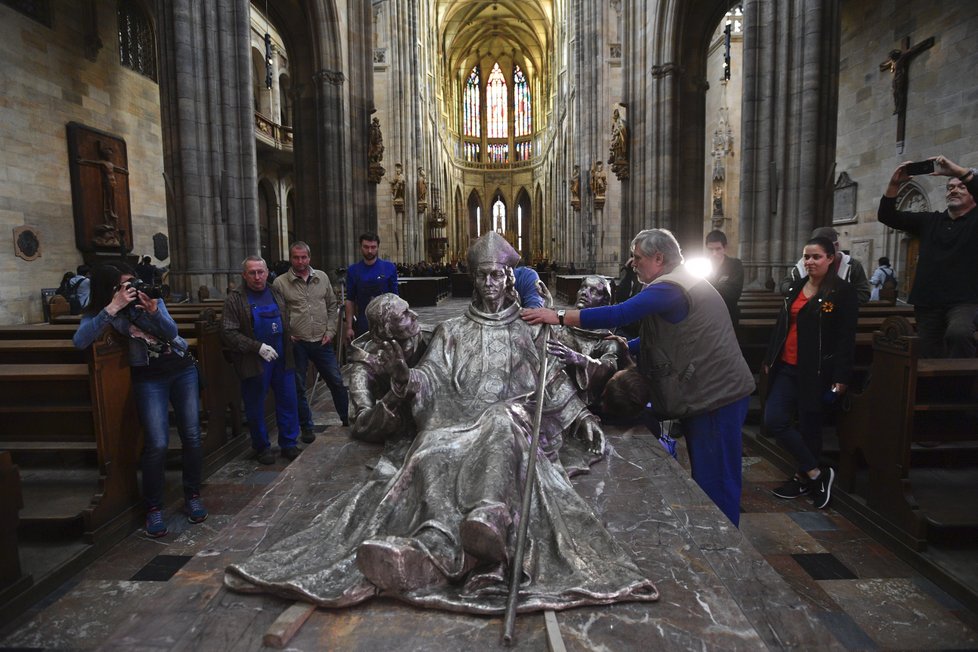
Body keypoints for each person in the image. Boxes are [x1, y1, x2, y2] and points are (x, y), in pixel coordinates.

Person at [225, 232, 657, 612]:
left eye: (497, 275)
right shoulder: (451, 330)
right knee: (429, 449)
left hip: (509, 422)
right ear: (473, 278)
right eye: (482, 275)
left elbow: (550, 378)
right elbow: (429, 378)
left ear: (510, 278)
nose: (489, 283)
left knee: (502, 423)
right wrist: (405, 378)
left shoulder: (529, 328)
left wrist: (580, 416)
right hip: (452, 421)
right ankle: (439, 547)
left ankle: (477, 525)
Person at [523, 228, 755, 526]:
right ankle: (717, 533)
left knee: (717, 480)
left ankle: (726, 549)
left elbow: (620, 314)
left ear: (658, 258)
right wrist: (622, 346)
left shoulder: (672, 287)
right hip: (708, 392)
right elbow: (665, 339)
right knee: (708, 474)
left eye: (637, 257)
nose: (632, 264)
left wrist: (557, 316)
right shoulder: (675, 283)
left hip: (716, 396)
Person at [72, 262, 205, 538]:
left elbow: (171, 333)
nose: (134, 289)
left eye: (133, 282)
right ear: (111, 290)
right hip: (149, 378)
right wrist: (112, 307)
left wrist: (155, 311)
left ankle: (193, 494)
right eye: (126, 285)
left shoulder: (151, 299)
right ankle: (154, 507)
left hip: (181, 370)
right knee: (156, 443)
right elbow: (80, 340)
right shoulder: (106, 312)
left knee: (192, 435)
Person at [762, 236, 858, 510]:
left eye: (816, 257)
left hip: (816, 371)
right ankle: (818, 473)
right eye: (806, 257)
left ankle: (802, 477)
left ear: (830, 258)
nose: (810, 262)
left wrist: (841, 378)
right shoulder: (796, 286)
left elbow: (845, 338)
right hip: (786, 366)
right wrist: (770, 357)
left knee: (809, 427)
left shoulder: (841, 293)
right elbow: (782, 325)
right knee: (775, 419)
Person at [878, 156, 978, 358]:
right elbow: (887, 216)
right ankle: (933, 388)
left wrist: (959, 172)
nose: (954, 190)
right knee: (928, 352)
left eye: (961, 187)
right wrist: (894, 184)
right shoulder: (930, 220)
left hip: (965, 301)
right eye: (950, 187)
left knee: (958, 333)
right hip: (929, 301)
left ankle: (962, 385)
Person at [222, 256, 301, 464]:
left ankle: (289, 443)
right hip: (255, 360)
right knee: (255, 404)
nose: (257, 277)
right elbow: (228, 332)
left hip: (282, 358)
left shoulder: (276, 292)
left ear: (267, 273)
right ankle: (261, 447)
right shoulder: (235, 298)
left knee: (288, 400)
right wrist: (256, 347)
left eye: (261, 272)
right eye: (252, 273)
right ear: (244, 275)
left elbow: (285, 319)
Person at [274, 241, 350, 443]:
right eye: (296, 257)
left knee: (336, 381)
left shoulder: (322, 277)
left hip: (322, 341)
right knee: (298, 386)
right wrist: (287, 333)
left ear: (309, 258)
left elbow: (333, 306)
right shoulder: (281, 283)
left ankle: (348, 419)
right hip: (297, 343)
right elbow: (278, 313)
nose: (300, 261)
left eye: (304, 257)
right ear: (291, 258)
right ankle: (307, 427)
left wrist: (331, 331)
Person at [343, 293, 433, 443]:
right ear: (387, 330)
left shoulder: (429, 337)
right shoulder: (363, 369)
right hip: (400, 431)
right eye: (403, 315)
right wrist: (396, 392)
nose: (415, 315)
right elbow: (360, 425)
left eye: (409, 309)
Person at [779, 227, 871, 304]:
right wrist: (804, 291)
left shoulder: (852, 266)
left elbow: (864, 294)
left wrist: (833, 298)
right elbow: (785, 285)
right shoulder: (804, 264)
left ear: (836, 246)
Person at [345, 233, 399, 341]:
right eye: (366, 247)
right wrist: (349, 327)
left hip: (386, 322)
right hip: (363, 322)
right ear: (361, 247)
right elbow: (350, 300)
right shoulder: (353, 270)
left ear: (378, 247)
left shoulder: (389, 267)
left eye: (373, 247)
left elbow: (395, 298)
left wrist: (397, 322)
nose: (369, 251)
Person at [704, 230, 744, 326]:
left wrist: (707, 288)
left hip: (728, 315)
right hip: (706, 315)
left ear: (725, 248)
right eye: (710, 249)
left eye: (718, 249)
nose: (714, 253)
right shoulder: (701, 265)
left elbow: (733, 293)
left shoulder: (735, 265)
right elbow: (695, 292)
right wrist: (721, 286)